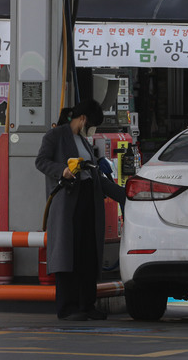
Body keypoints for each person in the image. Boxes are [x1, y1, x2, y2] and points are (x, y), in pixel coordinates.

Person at [35, 99, 126, 321]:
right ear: (83, 119)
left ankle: (87, 304)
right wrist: (62, 170)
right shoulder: (55, 136)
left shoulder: (84, 143)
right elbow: (41, 161)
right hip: (67, 203)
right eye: (92, 124)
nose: (92, 130)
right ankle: (67, 307)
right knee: (69, 253)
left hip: (88, 200)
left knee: (88, 253)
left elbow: (95, 175)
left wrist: (126, 195)